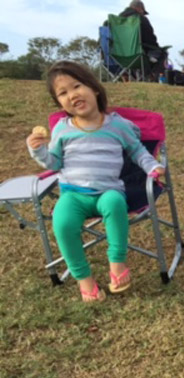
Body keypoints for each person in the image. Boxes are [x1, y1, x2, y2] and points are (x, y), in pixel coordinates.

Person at [25, 61, 164, 302]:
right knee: (62, 221)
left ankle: (118, 266)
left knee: (115, 205)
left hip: (108, 191)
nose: (72, 95)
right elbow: (54, 163)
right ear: (59, 103)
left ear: (95, 89)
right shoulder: (62, 129)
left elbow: (138, 152)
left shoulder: (118, 125)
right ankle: (84, 279)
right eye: (63, 93)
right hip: (72, 194)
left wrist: (154, 166)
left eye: (77, 86)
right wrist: (37, 151)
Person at [119, 0, 167, 80]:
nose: (142, 13)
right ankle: (153, 78)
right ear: (139, 8)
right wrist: (157, 47)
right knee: (162, 53)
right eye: (142, 11)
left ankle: (128, 75)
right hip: (138, 53)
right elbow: (151, 39)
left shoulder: (117, 20)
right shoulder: (141, 19)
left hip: (120, 55)